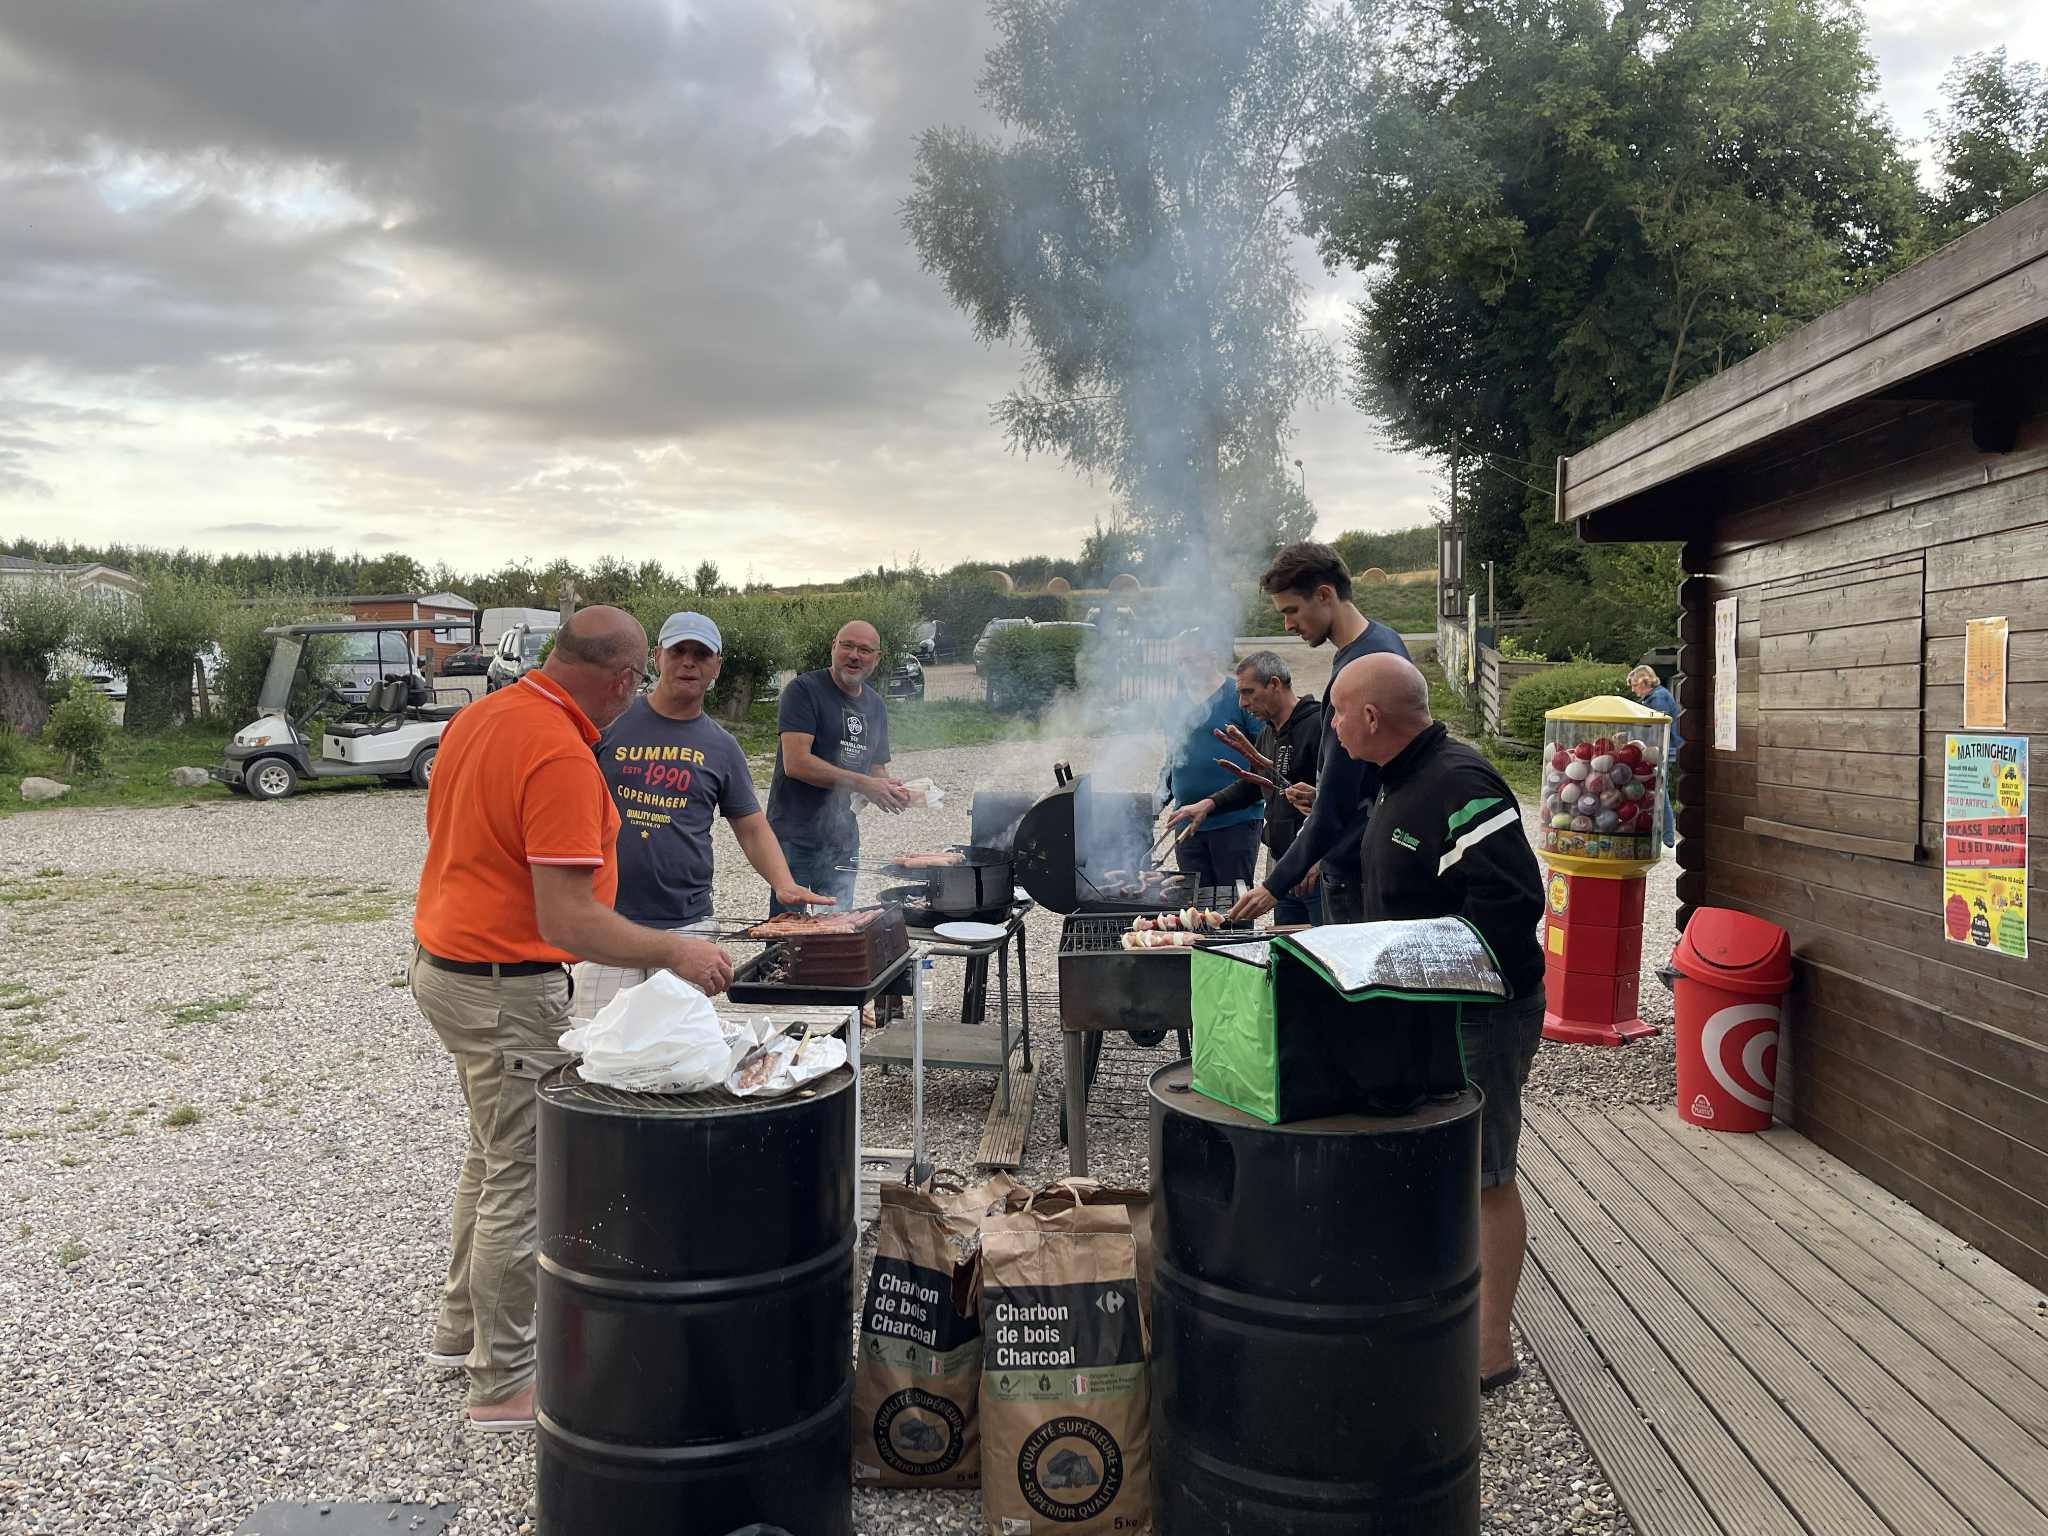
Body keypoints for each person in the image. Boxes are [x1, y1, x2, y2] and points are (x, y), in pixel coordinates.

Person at [410, 606, 734, 1432]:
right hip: (505, 983)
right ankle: (504, 1382)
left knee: (489, 1155)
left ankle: (459, 1331)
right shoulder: (557, 751)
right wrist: (675, 952)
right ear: (626, 677)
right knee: (522, 1170)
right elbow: (566, 920)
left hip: (446, 969)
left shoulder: (482, 716)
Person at [1328, 653, 1547, 1394]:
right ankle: (1439, 1312)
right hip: (1423, 1011)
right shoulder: (1398, 778)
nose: (1330, 725)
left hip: (1477, 1013)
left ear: (1369, 717)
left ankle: (1489, 1351)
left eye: (1335, 712)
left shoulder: (1458, 782)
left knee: (1485, 1173)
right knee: (1441, 1164)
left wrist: (1433, 971)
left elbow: (1512, 903)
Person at [573, 612, 831, 1019]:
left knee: (678, 1050)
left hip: (686, 922)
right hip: (608, 922)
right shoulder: (609, 724)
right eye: (678, 651)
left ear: (717, 666)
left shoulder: (721, 746)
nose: (688, 662)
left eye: (700, 654)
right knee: (598, 1045)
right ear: (657, 657)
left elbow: (750, 826)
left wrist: (784, 883)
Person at [1225, 542, 1409, 926]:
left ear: (1325, 595)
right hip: (1367, 850)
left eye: (1291, 610)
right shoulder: (1384, 641)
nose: (1288, 625)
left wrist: (1273, 885)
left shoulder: (1363, 664)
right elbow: (1375, 770)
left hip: (1355, 870)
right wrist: (1331, 791)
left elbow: (1335, 808)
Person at [1167, 649, 1323, 924]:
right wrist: (1209, 803)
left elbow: (1342, 799)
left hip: (1314, 872)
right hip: (1284, 867)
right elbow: (1253, 785)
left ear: (1274, 684)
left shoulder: (1317, 726)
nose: (1242, 703)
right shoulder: (1268, 733)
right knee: (1288, 955)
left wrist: (1321, 857)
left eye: (1249, 692)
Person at [767, 620, 911, 913]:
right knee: (787, 931)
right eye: (847, 645)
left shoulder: (875, 706)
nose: (854, 655)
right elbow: (795, 763)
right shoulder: (803, 691)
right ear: (833, 647)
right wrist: (862, 784)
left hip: (842, 838)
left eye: (864, 649)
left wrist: (889, 789)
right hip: (793, 835)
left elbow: (875, 768)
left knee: (837, 927)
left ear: (877, 658)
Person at [1158, 629, 1264, 889]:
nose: (1186, 668)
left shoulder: (1238, 697)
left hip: (1234, 820)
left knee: (1233, 905)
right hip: (1186, 823)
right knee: (1194, 908)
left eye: (1192, 659)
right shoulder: (1176, 705)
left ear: (1212, 657)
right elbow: (1173, 757)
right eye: (1181, 662)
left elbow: (1263, 756)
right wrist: (1156, 800)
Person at [1628, 664, 1681, 848]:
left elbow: (1656, 729)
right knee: (1658, 789)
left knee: (1659, 790)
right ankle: (1660, 832)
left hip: (1661, 750)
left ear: (1644, 682)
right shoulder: (1655, 696)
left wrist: (1645, 751)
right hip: (1659, 750)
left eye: (1634, 685)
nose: (1633, 689)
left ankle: (1666, 836)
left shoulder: (1658, 698)